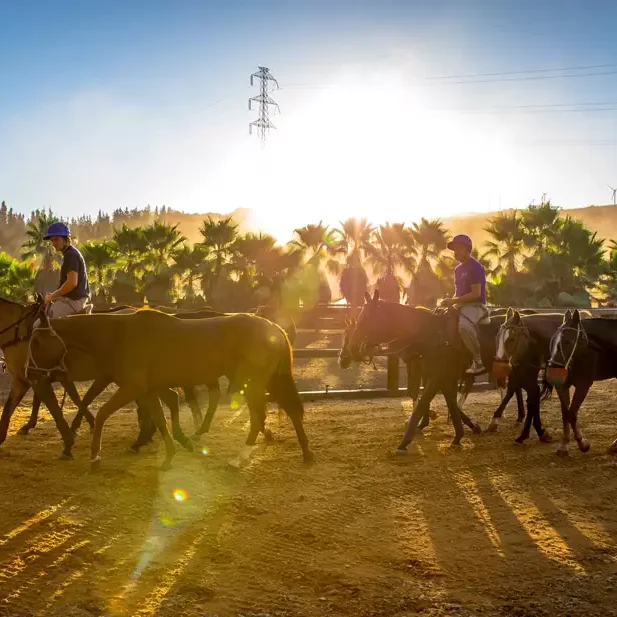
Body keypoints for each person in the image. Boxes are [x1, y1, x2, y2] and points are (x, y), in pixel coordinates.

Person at [439, 234, 487, 375]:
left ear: (468, 249)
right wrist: (448, 301)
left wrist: (454, 301)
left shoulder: (476, 267)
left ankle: (478, 361)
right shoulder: (458, 269)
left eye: (459, 248)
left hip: (475, 306)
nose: (455, 252)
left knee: (464, 327)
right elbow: (458, 293)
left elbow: (476, 293)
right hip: (460, 305)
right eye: (454, 249)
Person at [41, 222, 92, 319]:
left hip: (73, 302)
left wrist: (52, 297)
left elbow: (72, 283)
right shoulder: (70, 253)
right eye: (52, 241)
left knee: (39, 325)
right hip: (71, 300)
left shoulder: (71, 255)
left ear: (66, 239)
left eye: (56, 239)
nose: (54, 243)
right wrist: (54, 295)